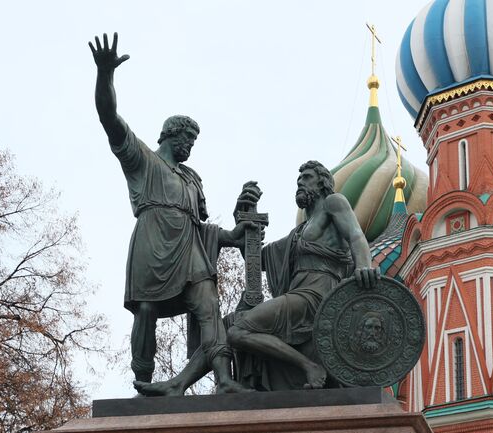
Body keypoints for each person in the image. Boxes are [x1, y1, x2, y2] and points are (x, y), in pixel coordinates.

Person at [88, 31, 258, 396]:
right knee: (146, 311)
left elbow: (204, 229)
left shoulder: (193, 178)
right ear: (169, 135)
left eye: (194, 143)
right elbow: (109, 117)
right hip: (153, 242)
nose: (190, 148)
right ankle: (143, 386)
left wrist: (236, 233)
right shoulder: (143, 160)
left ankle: (224, 380)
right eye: (187, 141)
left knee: (208, 305)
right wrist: (106, 74)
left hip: (190, 250)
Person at [227, 160, 379, 391]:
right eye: (298, 180)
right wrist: (243, 220)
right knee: (229, 325)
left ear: (323, 183)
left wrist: (364, 266)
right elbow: (258, 259)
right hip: (299, 296)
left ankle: (309, 366)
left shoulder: (333, 203)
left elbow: (356, 236)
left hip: (318, 296)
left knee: (238, 331)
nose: (300, 183)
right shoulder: (298, 232)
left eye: (307, 177)